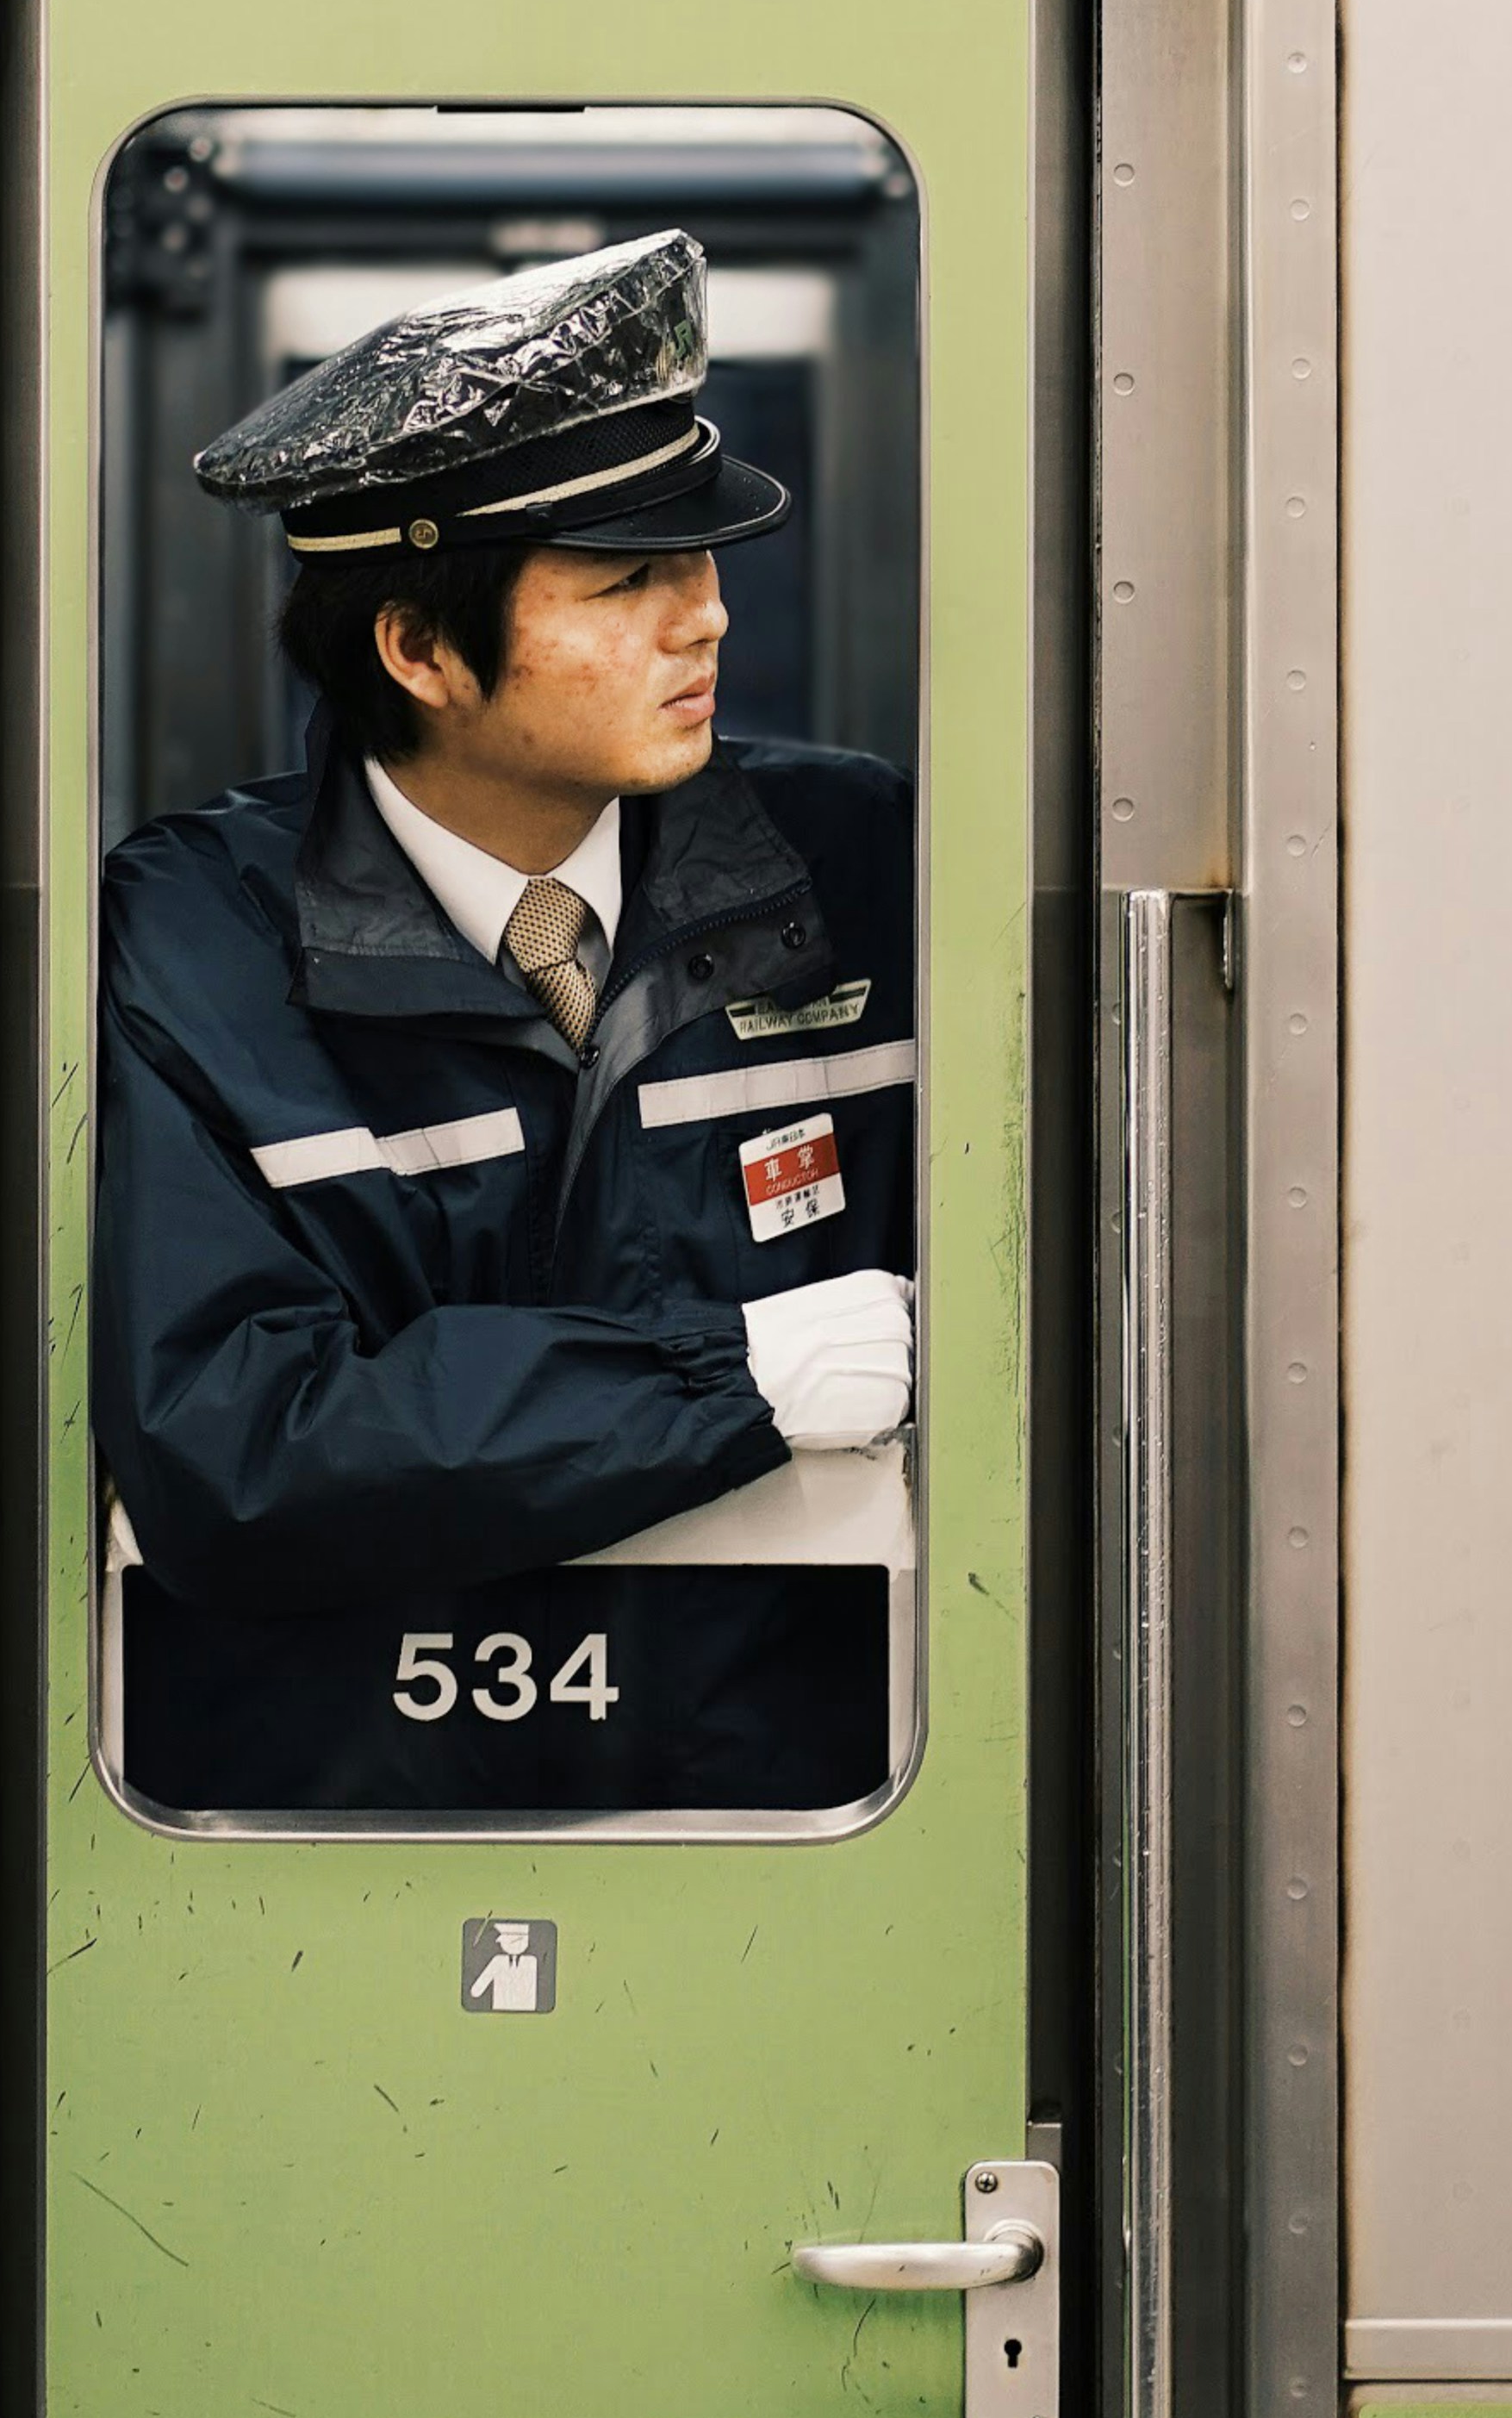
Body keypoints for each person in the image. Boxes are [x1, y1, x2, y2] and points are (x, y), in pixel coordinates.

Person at [96, 227, 918, 1626]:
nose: (706, 618)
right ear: (419, 649)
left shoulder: (862, 863)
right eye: (623, 582)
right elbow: (235, 1444)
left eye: (701, 558)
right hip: (370, 1748)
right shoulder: (192, 949)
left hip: (813, 1746)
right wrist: (738, 1376)